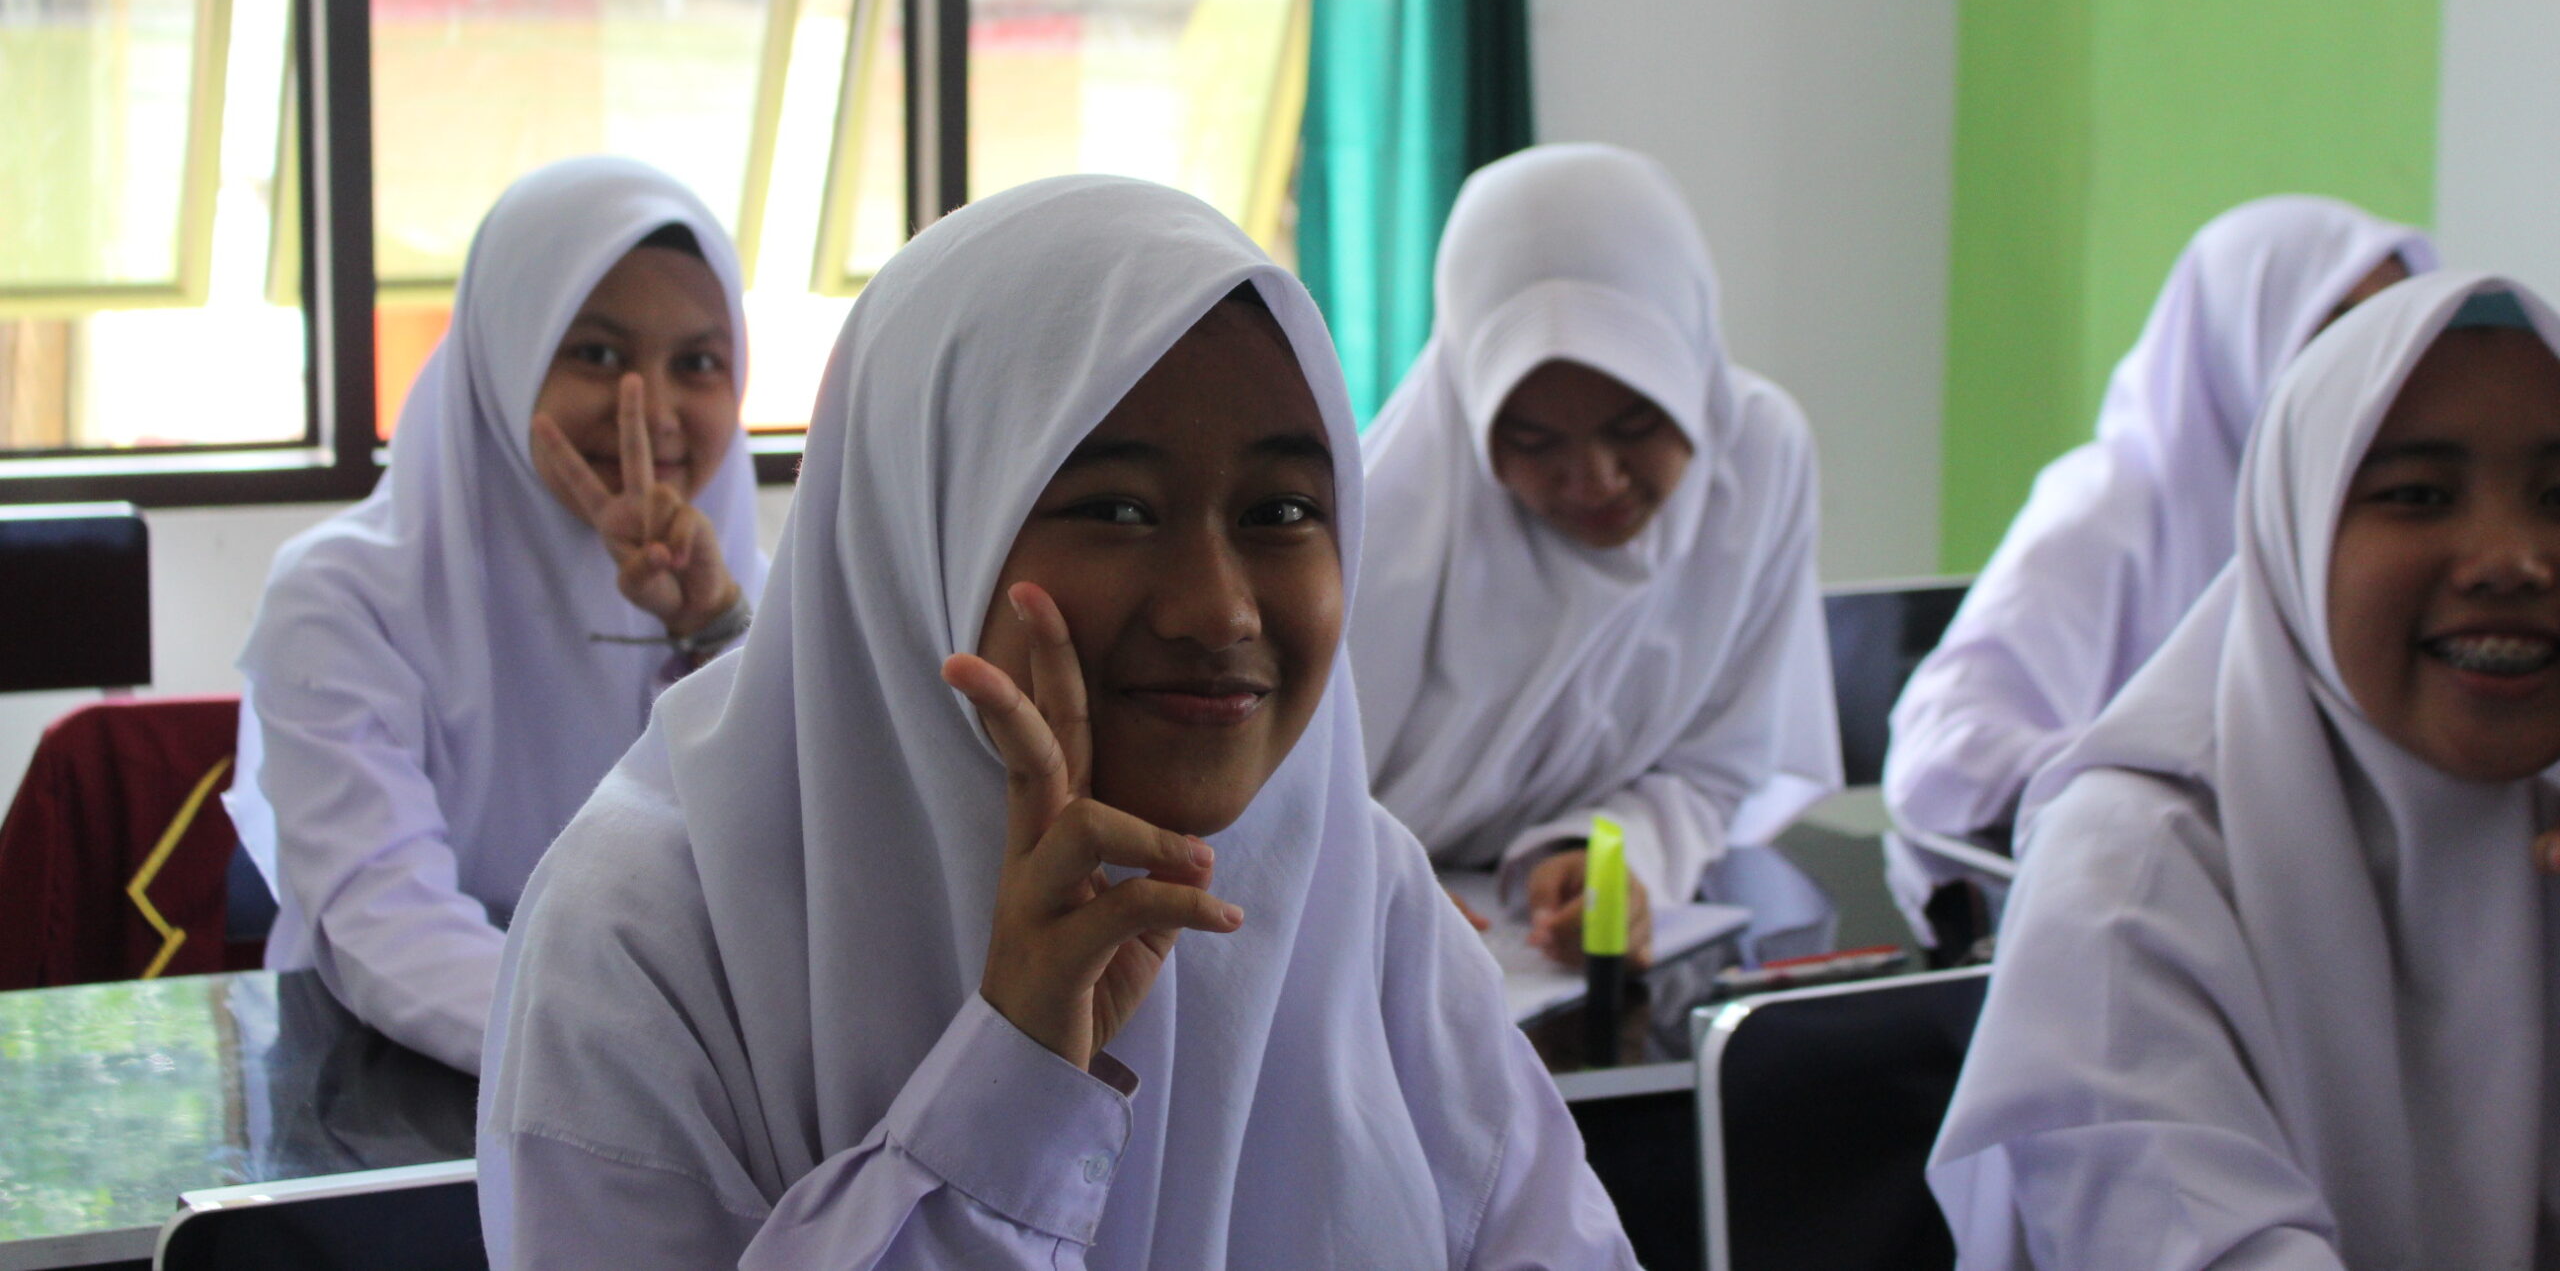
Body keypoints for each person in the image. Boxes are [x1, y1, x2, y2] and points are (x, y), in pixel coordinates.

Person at [476, 175, 1638, 1269]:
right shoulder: (644, 937)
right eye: (1117, 509)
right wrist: (1015, 1073)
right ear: (925, 525)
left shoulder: (1358, 885)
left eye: (1283, 511)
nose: (1218, 611)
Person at [1929, 270, 2560, 1270]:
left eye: (2559, 497)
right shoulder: (2129, 879)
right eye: (2418, 495)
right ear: (2292, 532)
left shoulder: (2539, 822)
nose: (2512, 559)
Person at [227, 156, 766, 1074]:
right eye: (597, 354)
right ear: (503, 354)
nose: (650, 410)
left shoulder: (744, 595)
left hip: (671, 1087)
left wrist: (713, 633)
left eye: (698, 363)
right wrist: (626, 1069)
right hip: (390, 1087)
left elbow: (793, 883)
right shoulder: (342, 598)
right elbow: (384, 923)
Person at [1353, 144, 1839, 966]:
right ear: (1473, 405)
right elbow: (1263, 799)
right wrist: (1362, 880)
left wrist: (1606, 852)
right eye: (1533, 439)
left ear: (1693, 371)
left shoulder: (1755, 461)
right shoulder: (1379, 524)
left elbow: (1718, 764)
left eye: (1636, 423)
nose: (1595, 479)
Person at [1883, 195, 2435, 843]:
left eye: (2387, 331)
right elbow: (1940, 758)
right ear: (2242, 335)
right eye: (2335, 327)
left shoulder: (2383, 515)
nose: (2368, 369)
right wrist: (2173, 768)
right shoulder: (2107, 506)